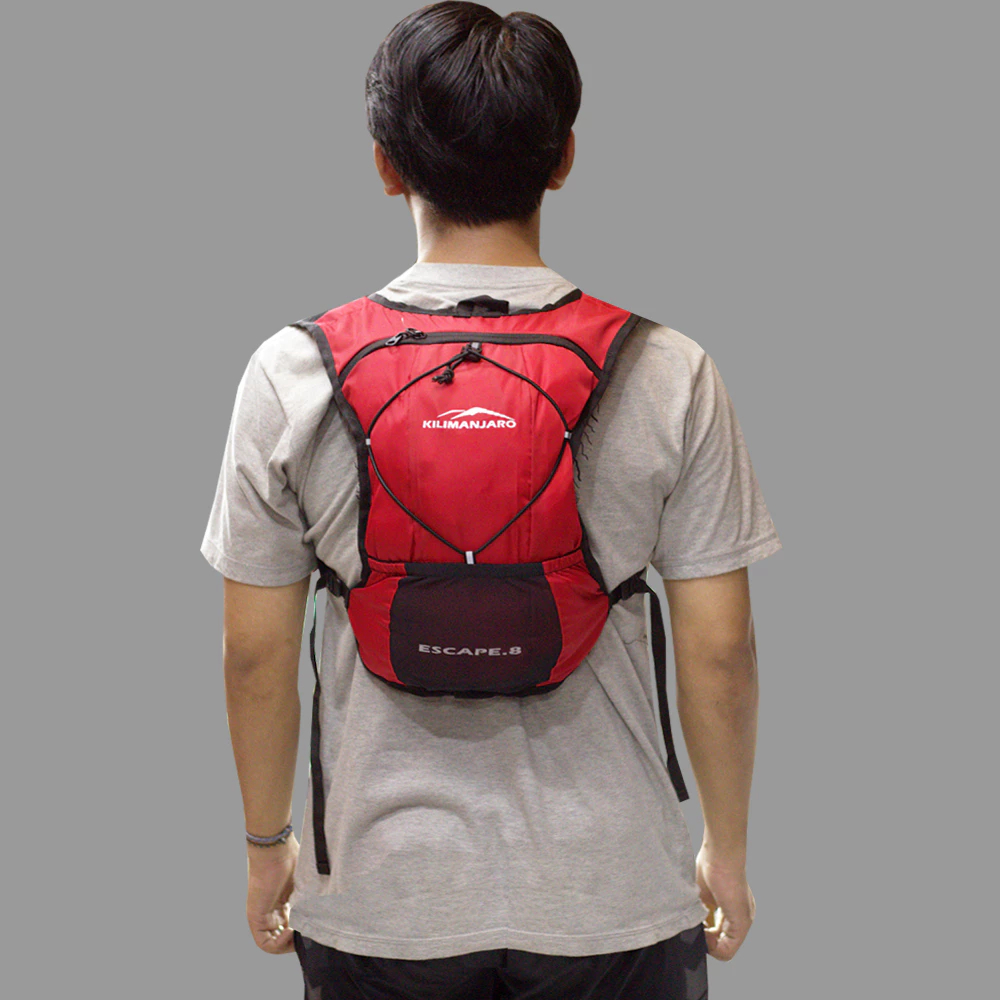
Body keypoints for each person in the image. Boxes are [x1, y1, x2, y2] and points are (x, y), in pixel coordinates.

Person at [200, 3, 780, 997]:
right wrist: (725, 849)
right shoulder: (669, 369)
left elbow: (253, 654)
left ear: (387, 164)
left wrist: (266, 846)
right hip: (610, 895)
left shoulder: (291, 372)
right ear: (563, 159)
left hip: (381, 894)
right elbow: (721, 650)